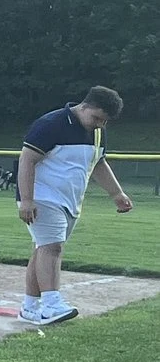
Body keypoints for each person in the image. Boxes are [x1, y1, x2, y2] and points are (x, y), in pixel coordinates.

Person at [16, 86, 131, 326]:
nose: (100, 124)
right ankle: (51, 304)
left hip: (69, 200)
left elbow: (98, 163)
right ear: (84, 106)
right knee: (52, 248)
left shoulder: (97, 132)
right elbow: (27, 158)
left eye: (105, 121)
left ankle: (29, 307)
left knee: (43, 249)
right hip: (42, 196)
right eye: (97, 118)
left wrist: (116, 193)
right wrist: (27, 199)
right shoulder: (51, 123)